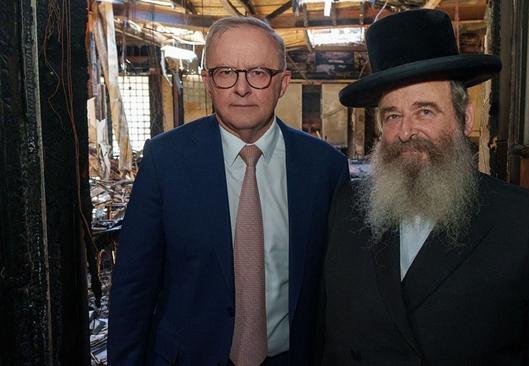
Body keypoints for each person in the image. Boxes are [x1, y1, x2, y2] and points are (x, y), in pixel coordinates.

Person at [318, 9, 529, 366]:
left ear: (465, 118)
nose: (406, 131)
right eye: (393, 115)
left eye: (425, 111)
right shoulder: (347, 208)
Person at [108, 16, 349, 366]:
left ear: (283, 83)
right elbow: (134, 286)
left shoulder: (325, 167)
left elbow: (339, 287)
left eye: (258, 73)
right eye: (226, 72)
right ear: (207, 81)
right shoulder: (166, 161)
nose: (242, 88)